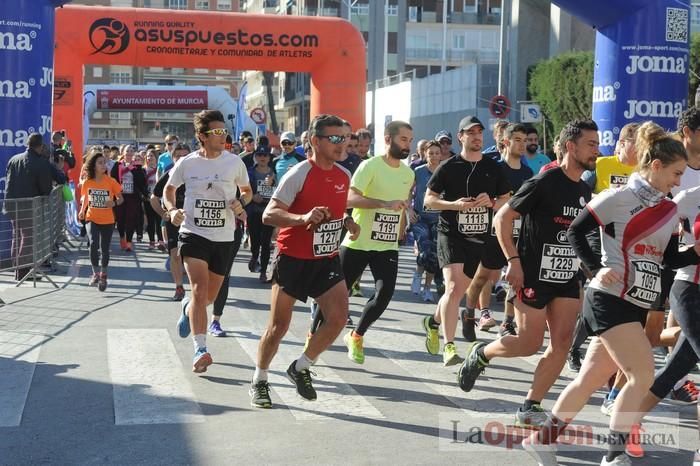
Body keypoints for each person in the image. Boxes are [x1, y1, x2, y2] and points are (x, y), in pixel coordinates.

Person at [522, 121, 697, 466]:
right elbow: (577, 229)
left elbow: (671, 257)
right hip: (606, 297)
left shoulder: (670, 209)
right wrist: (593, 267)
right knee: (642, 374)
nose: (679, 182)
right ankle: (615, 454)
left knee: (589, 379)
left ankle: (542, 440)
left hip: (635, 302)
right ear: (656, 166)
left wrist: (697, 252)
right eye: (676, 173)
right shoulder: (619, 197)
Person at [458, 119, 599, 430]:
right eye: (591, 144)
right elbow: (502, 218)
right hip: (532, 274)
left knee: (562, 342)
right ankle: (482, 353)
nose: (596, 150)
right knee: (528, 343)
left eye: (597, 144)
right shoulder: (543, 182)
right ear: (570, 147)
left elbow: (585, 232)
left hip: (566, 276)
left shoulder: (584, 189)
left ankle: (530, 405)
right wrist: (514, 261)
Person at [250, 114, 359, 407]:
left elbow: (335, 209)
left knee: (337, 319)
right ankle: (260, 379)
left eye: (345, 138)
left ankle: (299, 367)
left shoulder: (343, 175)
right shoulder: (298, 173)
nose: (342, 143)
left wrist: (347, 221)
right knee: (278, 328)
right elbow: (269, 214)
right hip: (293, 259)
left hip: (326, 259)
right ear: (315, 141)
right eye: (334, 138)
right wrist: (302, 218)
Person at [311, 120, 415, 365]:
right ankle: (312, 335)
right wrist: (382, 203)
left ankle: (356, 335)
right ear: (388, 139)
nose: (407, 145)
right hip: (358, 242)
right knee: (334, 295)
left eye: (410, 141)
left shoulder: (408, 173)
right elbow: (349, 197)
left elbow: (400, 206)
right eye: (403, 140)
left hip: (386, 244)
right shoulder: (370, 166)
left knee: (384, 294)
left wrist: (400, 229)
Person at [165, 110, 252, 373]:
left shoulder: (234, 162)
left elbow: (247, 191)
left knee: (208, 298)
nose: (222, 134)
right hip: (193, 233)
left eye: (223, 130)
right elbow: (169, 190)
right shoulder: (188, 163)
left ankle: (187, 308)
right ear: (202, 137)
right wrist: (172, 210)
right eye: (216, 132)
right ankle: (200, 349)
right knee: (200, 289)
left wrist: (241, 202)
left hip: (224, 236)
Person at [422, 116, 511, 365]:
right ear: (460, 137)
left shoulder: (494, 168)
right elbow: (428, 200)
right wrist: (453, 205)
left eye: (479, 132)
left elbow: (507, 199)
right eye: (470, 133)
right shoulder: (450, 166)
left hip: (478, 237)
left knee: (459, 289)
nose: (476, 137)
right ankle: (449, 346)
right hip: (450, 233)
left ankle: (433, 322)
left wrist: (491, 202)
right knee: (452, 288)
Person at [4, 133, 54, 281]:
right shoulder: (40, 162)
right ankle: (23, 271)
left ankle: (17, 269)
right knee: (28, 237)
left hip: (12, 204)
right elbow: (45, 187)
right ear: (40, 146)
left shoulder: (14, 159)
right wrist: (46, 193)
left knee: (16, 236)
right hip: (29, 205)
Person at [77, 151, 123, 292]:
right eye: (100, 162)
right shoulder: (87, 182)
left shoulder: (111, 181)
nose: (104, 165)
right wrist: (82, 210)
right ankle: (95, 273)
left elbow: (121, 199)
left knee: (104, 248)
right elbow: (85, 198)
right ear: (93, 165)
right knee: (93, 244)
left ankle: (103, 274)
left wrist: (113, 204)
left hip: (108, 219)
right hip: (92, 217)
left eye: (105, 162)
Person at [151, 143, 190, 301]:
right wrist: (163, 214)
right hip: (173, 220)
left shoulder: (198, 175)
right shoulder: (168, 175)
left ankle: (199, 288)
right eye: (177, 156)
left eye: (184, 156)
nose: (181, 159)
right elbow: (154, 198)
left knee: (191, 256)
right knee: (175, 254)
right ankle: (179, 287)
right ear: (172, 159)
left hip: (194, 221)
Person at [410, 140, 442, 302]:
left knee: (434, 256)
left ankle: (427, 288)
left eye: (437, 153)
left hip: (439, 219)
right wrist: (409, 210)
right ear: (425, 154)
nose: (434, 156)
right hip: (421, 218)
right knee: (425, 251)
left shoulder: (445, 171)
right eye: (431, 153)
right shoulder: (418, 171)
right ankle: (417, 274)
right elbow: (407, 191)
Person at [247, 147, 276, 282]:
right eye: (259, 155)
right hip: (254, 212)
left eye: (265, 155)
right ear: (255, 157)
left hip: (268, 212)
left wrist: (273, 182)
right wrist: (252, 197)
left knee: (266, 242)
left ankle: (263, 271)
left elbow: (279, 189)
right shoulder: (250, 173)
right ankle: (254, 256)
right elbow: (243, 189)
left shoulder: (274, 173)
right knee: (255, 240)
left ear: (269, 158)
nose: (263, 157)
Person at [111, 144, 147, 252]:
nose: (129, 153)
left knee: (131, 219)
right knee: (120, 219)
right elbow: (112, 179)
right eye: (127, 151)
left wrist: (136, 170)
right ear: (123, 153)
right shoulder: (117, 165)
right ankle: (122, 237)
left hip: (133, 197)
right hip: (120, 196)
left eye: (131, 151)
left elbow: (142, 182)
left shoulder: (137, 167)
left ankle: (129, 242)